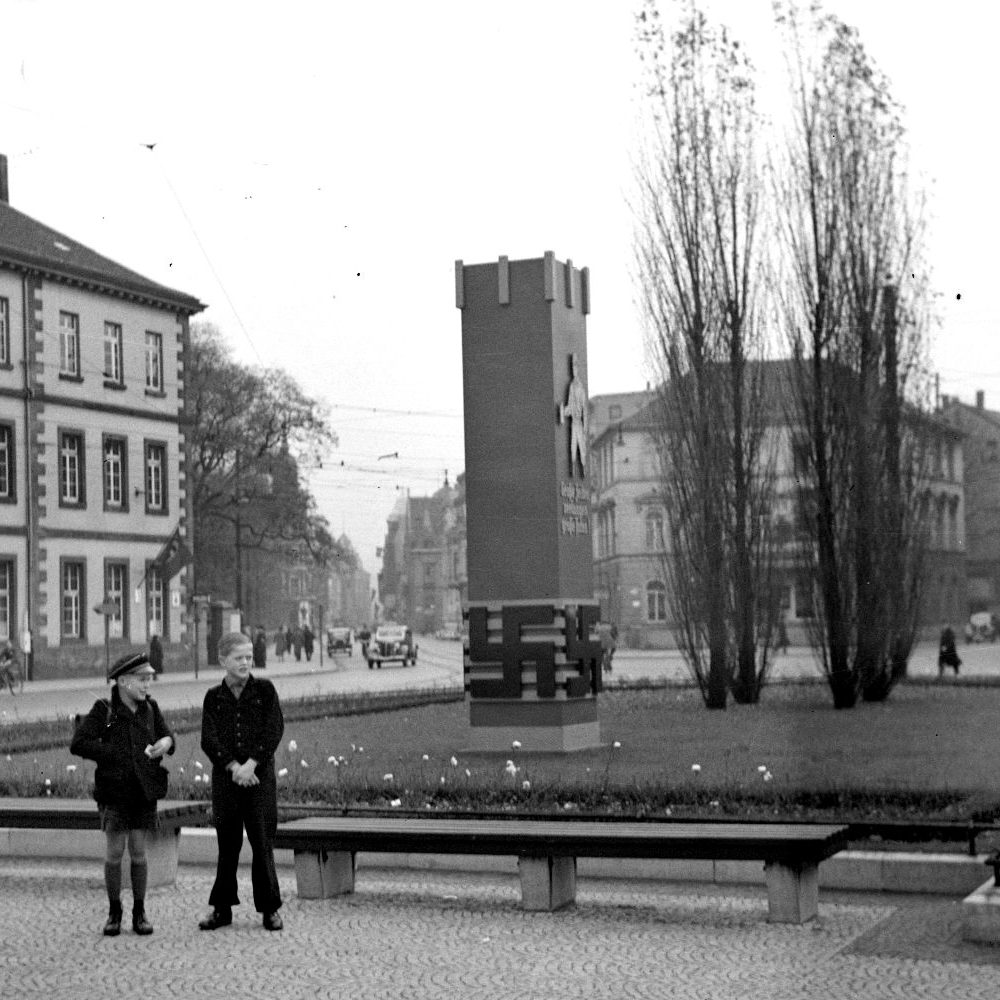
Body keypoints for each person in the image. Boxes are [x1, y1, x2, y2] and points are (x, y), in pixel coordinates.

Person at [70, 651, 174, 937]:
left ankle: (140, 912)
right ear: (123, 681)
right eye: (142, 680)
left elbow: (168, 737)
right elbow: (79, 743)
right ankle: (114, 911)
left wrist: (164, 743)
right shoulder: (105, 711)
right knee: (115, 852)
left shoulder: (150, 709)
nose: (147, 685)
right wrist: (113, 753)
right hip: (114, 792)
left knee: (139, 851)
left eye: (149, 679)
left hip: (143, 792)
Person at [199, 631, 284, 932]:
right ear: (223, 660)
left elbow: (273, 730)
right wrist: (234, 766)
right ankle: (222, 909)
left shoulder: (264, 691)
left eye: (249, 657)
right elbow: (209, 739)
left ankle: (270, 909)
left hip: (259, 781)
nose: (246, 662)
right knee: (228, 844)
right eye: (239, 658)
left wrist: (251, 765)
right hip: (226, 782)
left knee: (262, 843)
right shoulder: (214, 697)